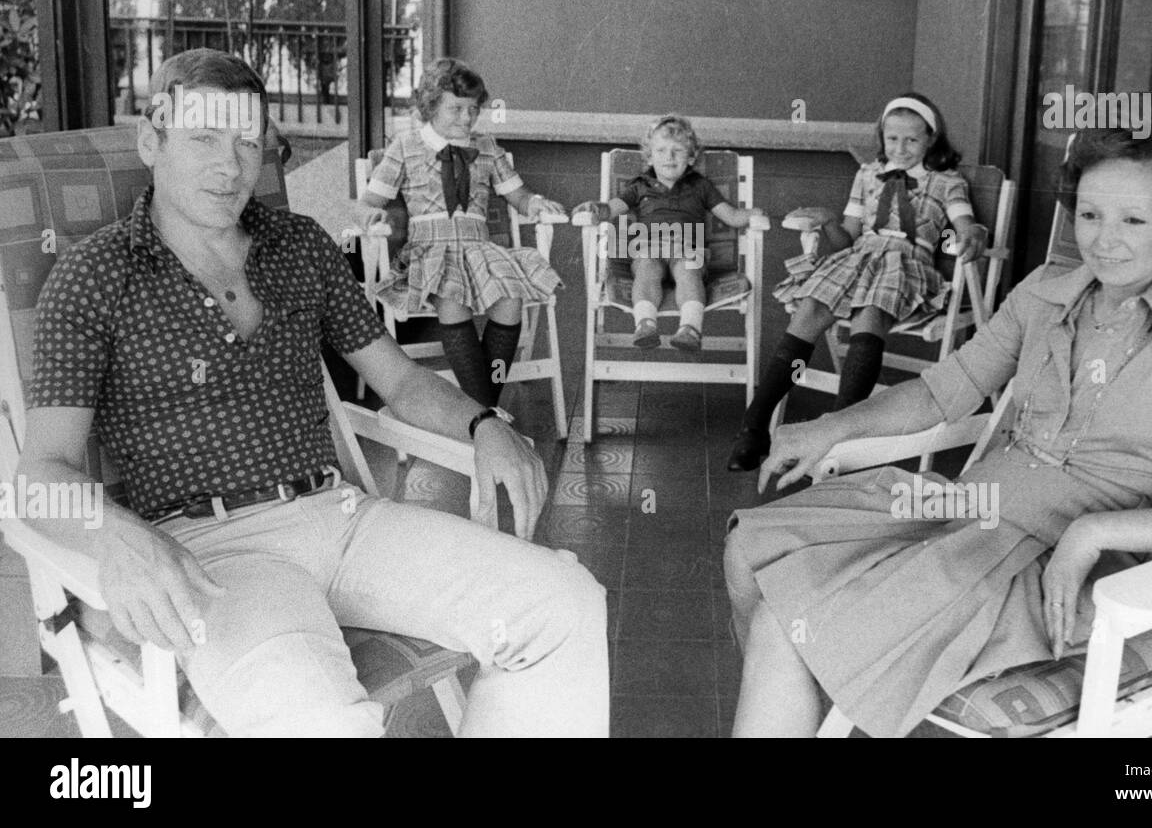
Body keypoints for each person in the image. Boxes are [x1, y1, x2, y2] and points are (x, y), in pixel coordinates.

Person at [18, 49, 608, 737]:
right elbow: (38, 477)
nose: (229, 165)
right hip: (213, 555)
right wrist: (115, 534)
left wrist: (484, 425)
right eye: (203, 137)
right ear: (153, 141)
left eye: (246, 142)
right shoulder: (95, 275)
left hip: (344, 518)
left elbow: (403, 382)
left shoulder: (299, 246)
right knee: (325, 724)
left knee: (562, 603)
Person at [724, 104, 1152, 737]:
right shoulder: (1048, 290)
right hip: (966, 510)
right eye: (1092, 215)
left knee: (789, 625)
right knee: (751, 550)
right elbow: (944, 391)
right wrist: (831, 427)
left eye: (1134, 218)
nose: (1103, 239)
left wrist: (1092, 532)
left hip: (1052, 568)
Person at [726, 93, 987, 472]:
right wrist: (829, 221)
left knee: (871, 312)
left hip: (906, 263)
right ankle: (754, 425)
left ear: (931, 138)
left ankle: (839, 432)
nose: (900, 148)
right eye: (892, 139)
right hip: (857, 258)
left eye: (912, 140)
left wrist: (973, 233)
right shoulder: (866, 175)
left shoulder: (947, 182)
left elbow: (965, 224)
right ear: (882, 138)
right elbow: (846, 237)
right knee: (811, 308)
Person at [358, 58, 567, 407]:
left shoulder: (486, 147)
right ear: (430, 107)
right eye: (456, 109)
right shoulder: (405, 146)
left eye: (473, 109)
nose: (467, 118)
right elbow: (366, 202)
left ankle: (487, 401)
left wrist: (536, 204)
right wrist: (371, 214)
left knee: (510, 300)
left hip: (480, 249)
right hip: (431, 252)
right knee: (453, 300)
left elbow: (519, 196)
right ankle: (484, 413)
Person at [573, 114, 763, 352]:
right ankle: (645, 324)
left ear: (692, 156)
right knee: (646, 270)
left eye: (677, 151)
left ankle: (690, 329)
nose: (669, 157)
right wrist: (595, 207)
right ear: (650, 157)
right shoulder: (639, 186)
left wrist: (752, 214)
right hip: (648, 250)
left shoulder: (700, 186)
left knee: (689, 270)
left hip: (688, 251)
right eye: (661, 151)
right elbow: (611, 209)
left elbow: (732, 216)